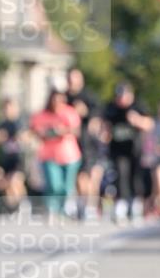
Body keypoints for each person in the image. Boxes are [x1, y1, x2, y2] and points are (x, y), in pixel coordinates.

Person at [103, 83, 154, 223]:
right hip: (118, 150)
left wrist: (138, 120)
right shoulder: (112, 108)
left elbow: (150, 124)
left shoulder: (138, 106)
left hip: (135, 149)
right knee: (121, 175)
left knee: (136, 177)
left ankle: (135, 205)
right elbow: (105, 126)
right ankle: (122, 205)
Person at [29, 85, 82, 215]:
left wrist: (63, 130)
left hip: (69, 156)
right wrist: (46, 132)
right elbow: (34, 131)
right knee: (54, 185)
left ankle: (64, 210)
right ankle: (52, 209)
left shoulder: (69, 112)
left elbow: (77, 131)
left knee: (67, 187)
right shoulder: (42, 115)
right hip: (49, 156)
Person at [66, 68, 105, 219]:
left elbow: (97, 116)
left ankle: (90, 207)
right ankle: (83, 206)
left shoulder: (89, 97)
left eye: (75, 79)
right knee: (78, 179)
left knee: (89, 177)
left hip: (89, 145)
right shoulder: (64, 98)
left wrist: (87, 114)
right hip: (70, 145)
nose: (72, 83)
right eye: (70, 79)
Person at [0, 98, 28, 211]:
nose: (7, 111)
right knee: (6, 185)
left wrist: (20, 137)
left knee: (15, 181)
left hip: (19, 159)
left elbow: (27, 137)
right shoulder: (1, 125)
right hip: (6, 160)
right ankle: (13, 208)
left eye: (10, 108)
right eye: (5, 108)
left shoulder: (20, 123)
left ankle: (24, 205)